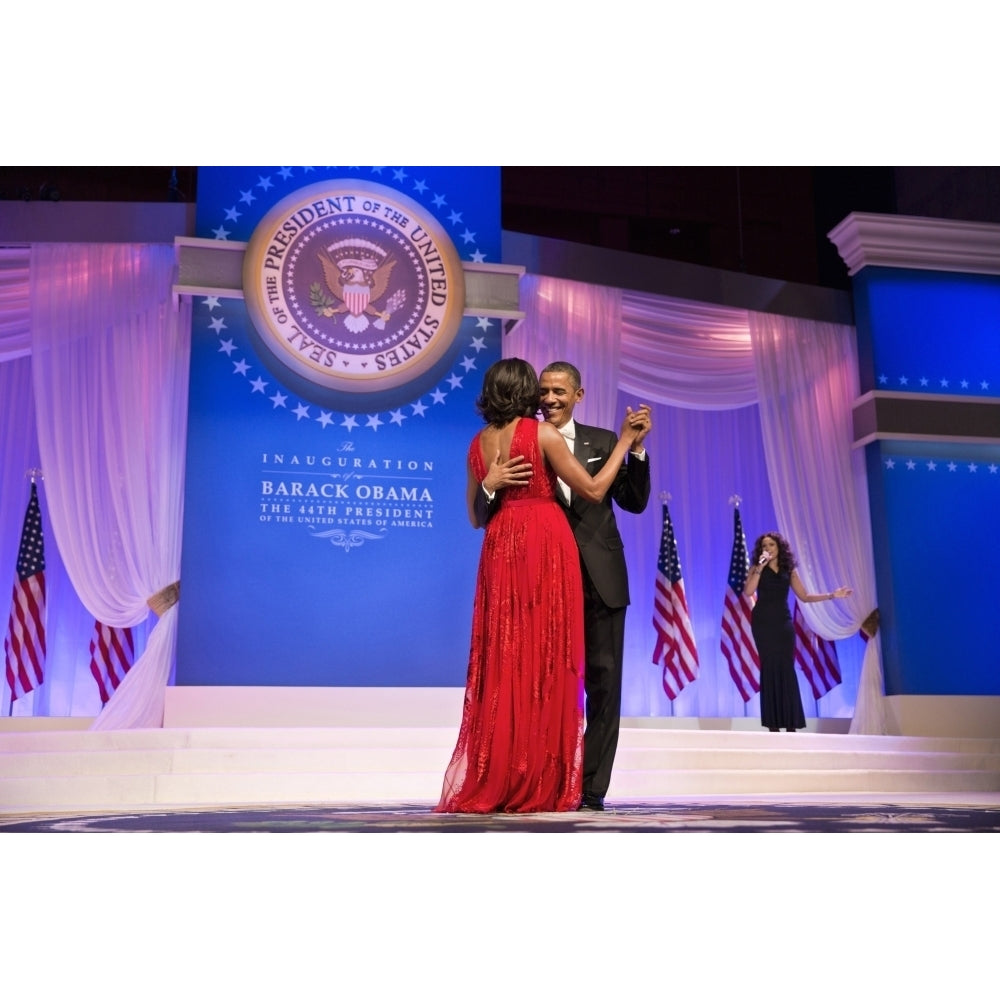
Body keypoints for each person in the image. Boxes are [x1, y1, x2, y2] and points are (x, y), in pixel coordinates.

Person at [436, 358, 647, 814]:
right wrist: (627, 440)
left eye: (555, 391)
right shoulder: (541, 435)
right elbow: (592, 490)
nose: (544, 398)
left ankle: (518, 778)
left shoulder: (477, 444)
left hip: (503, 554)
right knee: (549, 670)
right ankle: (542, 781)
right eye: (538, 390)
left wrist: (490, 485)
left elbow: (475, 517)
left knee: (510, 668)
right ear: (526, 392)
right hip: (545, 554)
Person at [743, 531, 853, 733]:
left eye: (772, 545)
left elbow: (804, 596)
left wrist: (832, 595)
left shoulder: (789, 570)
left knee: (786, 668)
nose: (768, 549)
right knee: (769, 668)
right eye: (764, 546)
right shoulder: (756, 569)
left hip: (783, 624)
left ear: (779, 548)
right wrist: (760, 567)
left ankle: (791, 723)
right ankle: (773, 725)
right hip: (763, 624)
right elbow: (749, 591)